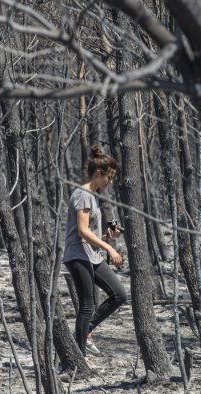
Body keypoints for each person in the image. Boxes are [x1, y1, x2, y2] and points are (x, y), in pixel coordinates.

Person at [63, 144, 127, 365]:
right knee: (87, 305)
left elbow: (90, 232)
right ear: (98, 174)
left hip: (92, 254)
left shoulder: (92, 196)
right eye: (109, 177)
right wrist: (110, 248)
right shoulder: (82, 195)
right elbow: (81, 230)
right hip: (77, 255)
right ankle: (79, 357)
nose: (110, 182)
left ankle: (85, 332)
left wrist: (107, 237)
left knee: (119, 295)